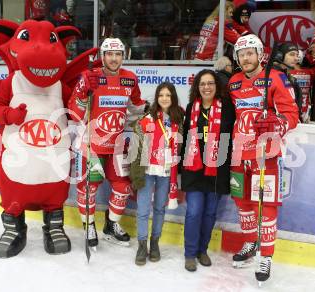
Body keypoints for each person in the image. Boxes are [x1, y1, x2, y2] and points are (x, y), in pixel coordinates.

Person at [228, 34, 299, 283]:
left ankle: (266, 256)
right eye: (241, 54)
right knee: (242, 203)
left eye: (250, 53)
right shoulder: (234, 82)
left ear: (260, 55)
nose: (245, 58)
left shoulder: (276, 78)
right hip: (239, 153)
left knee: (266, 207)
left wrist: (278, 124)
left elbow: (292, 114)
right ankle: (250, 242)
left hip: (266, 155)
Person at [68, 37, 147, 248]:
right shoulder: (90, 77)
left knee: (123, 186)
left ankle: (111, 226)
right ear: (103, 57)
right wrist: (84, 92)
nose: (114, 58)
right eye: (109, 54)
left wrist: (159, 112)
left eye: (118, 54)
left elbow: (137, 107)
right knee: (88, 188)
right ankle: (90, 226)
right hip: (91, 145)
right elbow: (75, 114)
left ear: (123, 56)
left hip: (117, 146)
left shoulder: (130, 79)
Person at [181, 69, 235, 272]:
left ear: (216, 86)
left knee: (210, 213)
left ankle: (202, 250)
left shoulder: (227, 107)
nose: (206, 87)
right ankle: (190, 253)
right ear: (197, 87)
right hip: (194, 170)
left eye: (210, 83)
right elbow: (186, 139)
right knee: (194, 212)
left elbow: (231, 139)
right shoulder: (190, 107)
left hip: (217, 170)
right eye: (202, 84)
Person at [130, 82, 183, 266]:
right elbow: (136, 144)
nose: (164, 98)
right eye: (161, 95)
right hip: (148, 169)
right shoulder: (148, 119)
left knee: (160, 208)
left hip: (167, 171)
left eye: (168, 95)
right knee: (143, 210)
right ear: (157, 98)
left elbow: (183, 146)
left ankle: (155, 243)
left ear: (173, 97)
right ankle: (142, 244)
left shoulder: (179, 119)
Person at [270, 42, 304, 120]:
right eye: (292, 54)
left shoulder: (290, 78)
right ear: (280, 56)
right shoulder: (270, 77)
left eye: (297, 55)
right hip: (276, 126)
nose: (296, 58)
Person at [290, 50, 315, 123]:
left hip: (291, 109)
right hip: (305, 111)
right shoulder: (310, 72)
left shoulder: (287, 73)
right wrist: (314, 61)